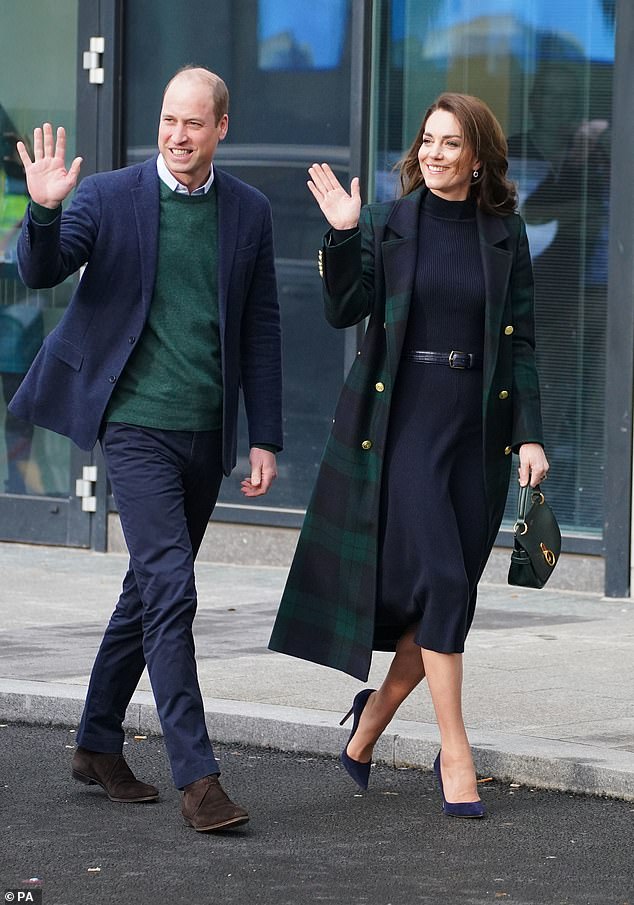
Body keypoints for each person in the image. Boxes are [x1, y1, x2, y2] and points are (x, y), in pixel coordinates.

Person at [11, 66, 282, 832]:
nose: (178, 135)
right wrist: (41, 210)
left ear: (221, 127)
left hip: (206, 433)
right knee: (173, 590)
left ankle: (97, 742)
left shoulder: (249, 212)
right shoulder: (109, 196)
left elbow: (261, 325)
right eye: (169, 119)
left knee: (148, 588)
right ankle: (199, 778)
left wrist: (265, 436)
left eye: (194, 123)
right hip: (134, 426)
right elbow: (40, 270)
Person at [269, 93, 548, 818]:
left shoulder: (504, 232)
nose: (434, 153)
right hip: (406, 422)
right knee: (449, 585)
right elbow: (344, 306)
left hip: (476, 433)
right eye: (428, 140)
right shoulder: (393, 222)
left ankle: (371, 719)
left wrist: (531, 433)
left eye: (451, 143)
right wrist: (341, 235)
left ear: (478, 156)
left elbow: (521, 341)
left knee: (442, 598)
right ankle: (456, 753)